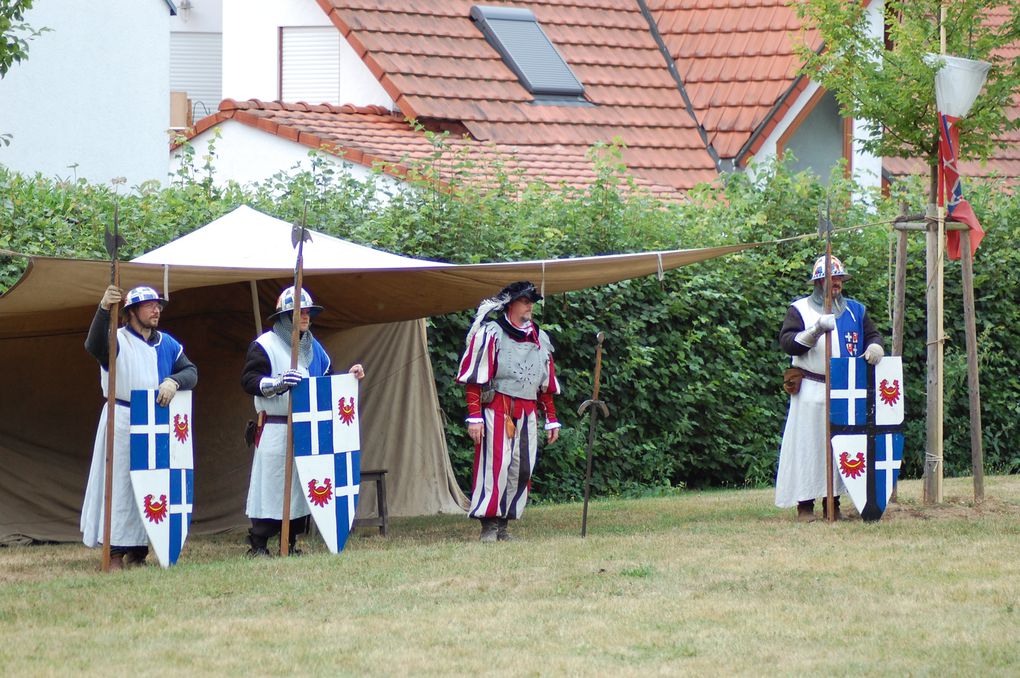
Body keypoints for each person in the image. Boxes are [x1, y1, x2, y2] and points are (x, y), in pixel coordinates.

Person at [241, 286, 365, 557]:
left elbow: (327, 384)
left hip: (307, 430)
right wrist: (276, 383)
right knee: (271, 486)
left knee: (302, 486)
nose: (306, 316)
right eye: (300, 311)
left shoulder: (315, 349)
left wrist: (349, 376)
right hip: (276, 425)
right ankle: (259, 544)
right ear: (285, 316)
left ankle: (291, 542)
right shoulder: (265, 345)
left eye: (308, 311)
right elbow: (249, 380)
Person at [81, 285, 198, 569]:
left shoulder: (167, 343)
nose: (156, 310)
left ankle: (138, 550)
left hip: (155, 422)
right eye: (149, 305)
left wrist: (174, 381)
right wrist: (103, 309)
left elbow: (190, 371)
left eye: (158, 305)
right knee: (120, 483)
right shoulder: (117, 339)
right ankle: (115, 552)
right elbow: (93, 346)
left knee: (150, 484)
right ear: (131, 311)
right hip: (122, 417)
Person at [776, 255, 884, 522]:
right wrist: (814, 331)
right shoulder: (800, 310)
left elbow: (872, 335)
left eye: (839, 279)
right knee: (808, 447)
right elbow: (788, 342)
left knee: (841, 448)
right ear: (818, 281)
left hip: (844, 391)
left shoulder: (855, 310)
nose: (836, 283)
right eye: (830, 278)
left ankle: (832, 504)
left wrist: (874, 347)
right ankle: (804, 506)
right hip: (810, 389)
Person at [456, 281, 561, 542]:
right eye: (526, 301)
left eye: (531, 302)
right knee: (495, 467)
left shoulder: (540, 338)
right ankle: (488, 525)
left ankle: (503, 525)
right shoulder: (492, 333)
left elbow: (545, 384)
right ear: (511, 304)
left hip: (527, 413)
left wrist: (551, 419)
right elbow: (475, 379)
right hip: (498, 411)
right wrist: (475, 416)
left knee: (521, 468)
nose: (530, 307)